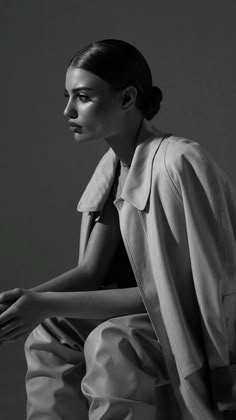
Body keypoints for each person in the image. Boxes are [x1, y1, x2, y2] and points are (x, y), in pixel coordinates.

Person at [0, 39, 236, 420]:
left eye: (83, 97)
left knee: (111, 344)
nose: (67, 110)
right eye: (68, 96)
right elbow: (91, 272)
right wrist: (25, 301)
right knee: (50, 333)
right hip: (151, 314)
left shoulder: (179, 163)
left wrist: (42, 303)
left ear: (127, 98)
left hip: (198, 324)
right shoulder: (113, 167)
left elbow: (180, 296)